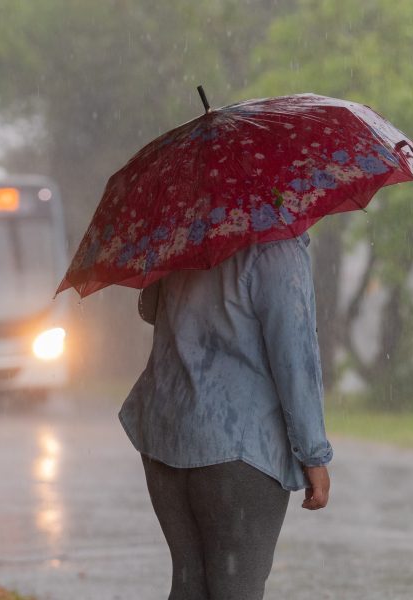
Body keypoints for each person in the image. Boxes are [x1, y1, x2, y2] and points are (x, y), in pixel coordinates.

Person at [120, 232, 333, 600]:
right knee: (236, 590)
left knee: (188, 588)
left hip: (167, 438)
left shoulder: (185, 231)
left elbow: (149, 308)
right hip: (239, 453)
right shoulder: (276, 243)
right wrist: (313, 454)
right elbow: (295, 357)